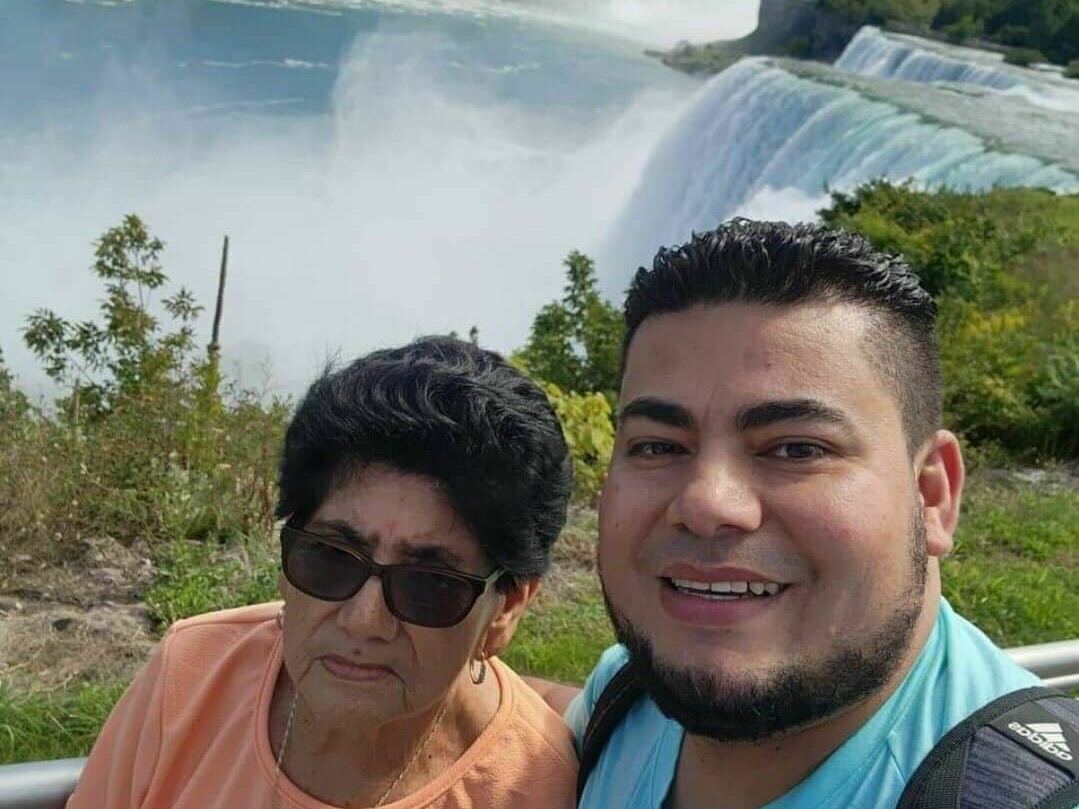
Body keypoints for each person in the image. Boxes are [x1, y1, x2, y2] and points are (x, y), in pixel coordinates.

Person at [532, 220, 1078, 808]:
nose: (707, 504)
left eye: (796, 449)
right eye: (657, 446)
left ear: (931, 494)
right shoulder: (626, 698)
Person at [68, 336, 578, 809]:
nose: (364, 620)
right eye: (331, 558)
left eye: (428, 585)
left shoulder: (539, 788)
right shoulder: (191, 676)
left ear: (506, 609)